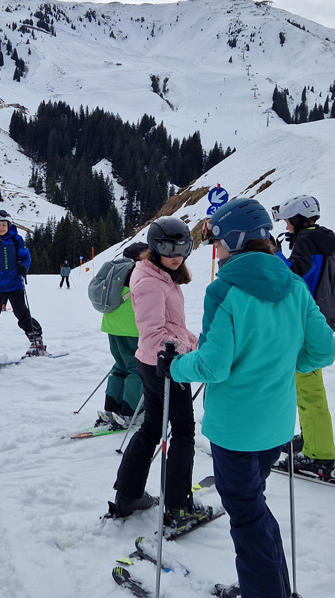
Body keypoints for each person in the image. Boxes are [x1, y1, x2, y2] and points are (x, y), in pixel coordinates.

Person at [167, 198, 335, 598]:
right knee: (252, 507)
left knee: (246, 516)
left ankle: (264, 591)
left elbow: (213, 366)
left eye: (217, 240)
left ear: (234, 240)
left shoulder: (224, 290)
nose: (215, 248)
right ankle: (269, 586)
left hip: (235, 429)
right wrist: (284, 362)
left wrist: (175, 367)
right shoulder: (292, 285)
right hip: (276, 426)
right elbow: (323, 350)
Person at [112, 218, 202, 524]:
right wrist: (187, 351)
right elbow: (153, 335)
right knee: (183, 431)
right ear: (154, 247)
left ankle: (128, 495)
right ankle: (178, 506)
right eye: (167, 247)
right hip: (165, 366)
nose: (176, 255)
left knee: (151, 427)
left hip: (156, 362)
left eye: (182, 248)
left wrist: (195, 343)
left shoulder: (161, 275)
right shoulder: (151, 282)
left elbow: (172, 327)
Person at [271, 194, 335, 480]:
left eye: (288, 222)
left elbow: (292, 277)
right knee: (308, 388)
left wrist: (274, 254)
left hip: (305, 325)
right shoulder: (320, 239)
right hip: (315, 323)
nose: (286, 227)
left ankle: (319, 455)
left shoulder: (305, 241)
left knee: (308, 391)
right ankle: (312, 438)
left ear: (297, 219)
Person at [0, 210, 45, 358]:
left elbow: (26, 257)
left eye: (3, 225)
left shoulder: (16, 240)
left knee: (22, 314)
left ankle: (37, 342)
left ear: (8, 225)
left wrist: (24, 267)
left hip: (15, 284)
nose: (1, 228)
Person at [96, 242, 146, 428]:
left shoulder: (115, 271)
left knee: (119, 367)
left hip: (112, 326)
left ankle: (111, 409)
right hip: (132, 328)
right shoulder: (140, 272)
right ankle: (130, 412)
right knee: (136, 369)